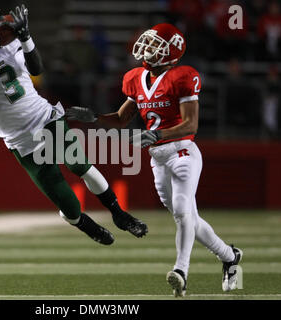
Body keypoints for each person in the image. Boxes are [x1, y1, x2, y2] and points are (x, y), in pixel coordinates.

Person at [0, 5, 148, 246]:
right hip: (20, 140)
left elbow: (37, 68)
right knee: (68, 203)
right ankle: (82, 223)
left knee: (80, 165)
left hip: (45, 117)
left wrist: (26, 38)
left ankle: (119, 214)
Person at [66, 23, 243, 297]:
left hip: (182, 151)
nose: (146, 49)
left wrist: (156, 133)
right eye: (147, 43)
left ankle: (181, 272)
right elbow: (123, 118)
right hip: (157, 159)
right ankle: (229, 257)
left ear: (170, 52)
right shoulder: (136, 77)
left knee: (184, 211)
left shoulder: (183, 76)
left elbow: (190, 125)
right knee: (188, 219)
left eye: (154, 45)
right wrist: (94, 117)